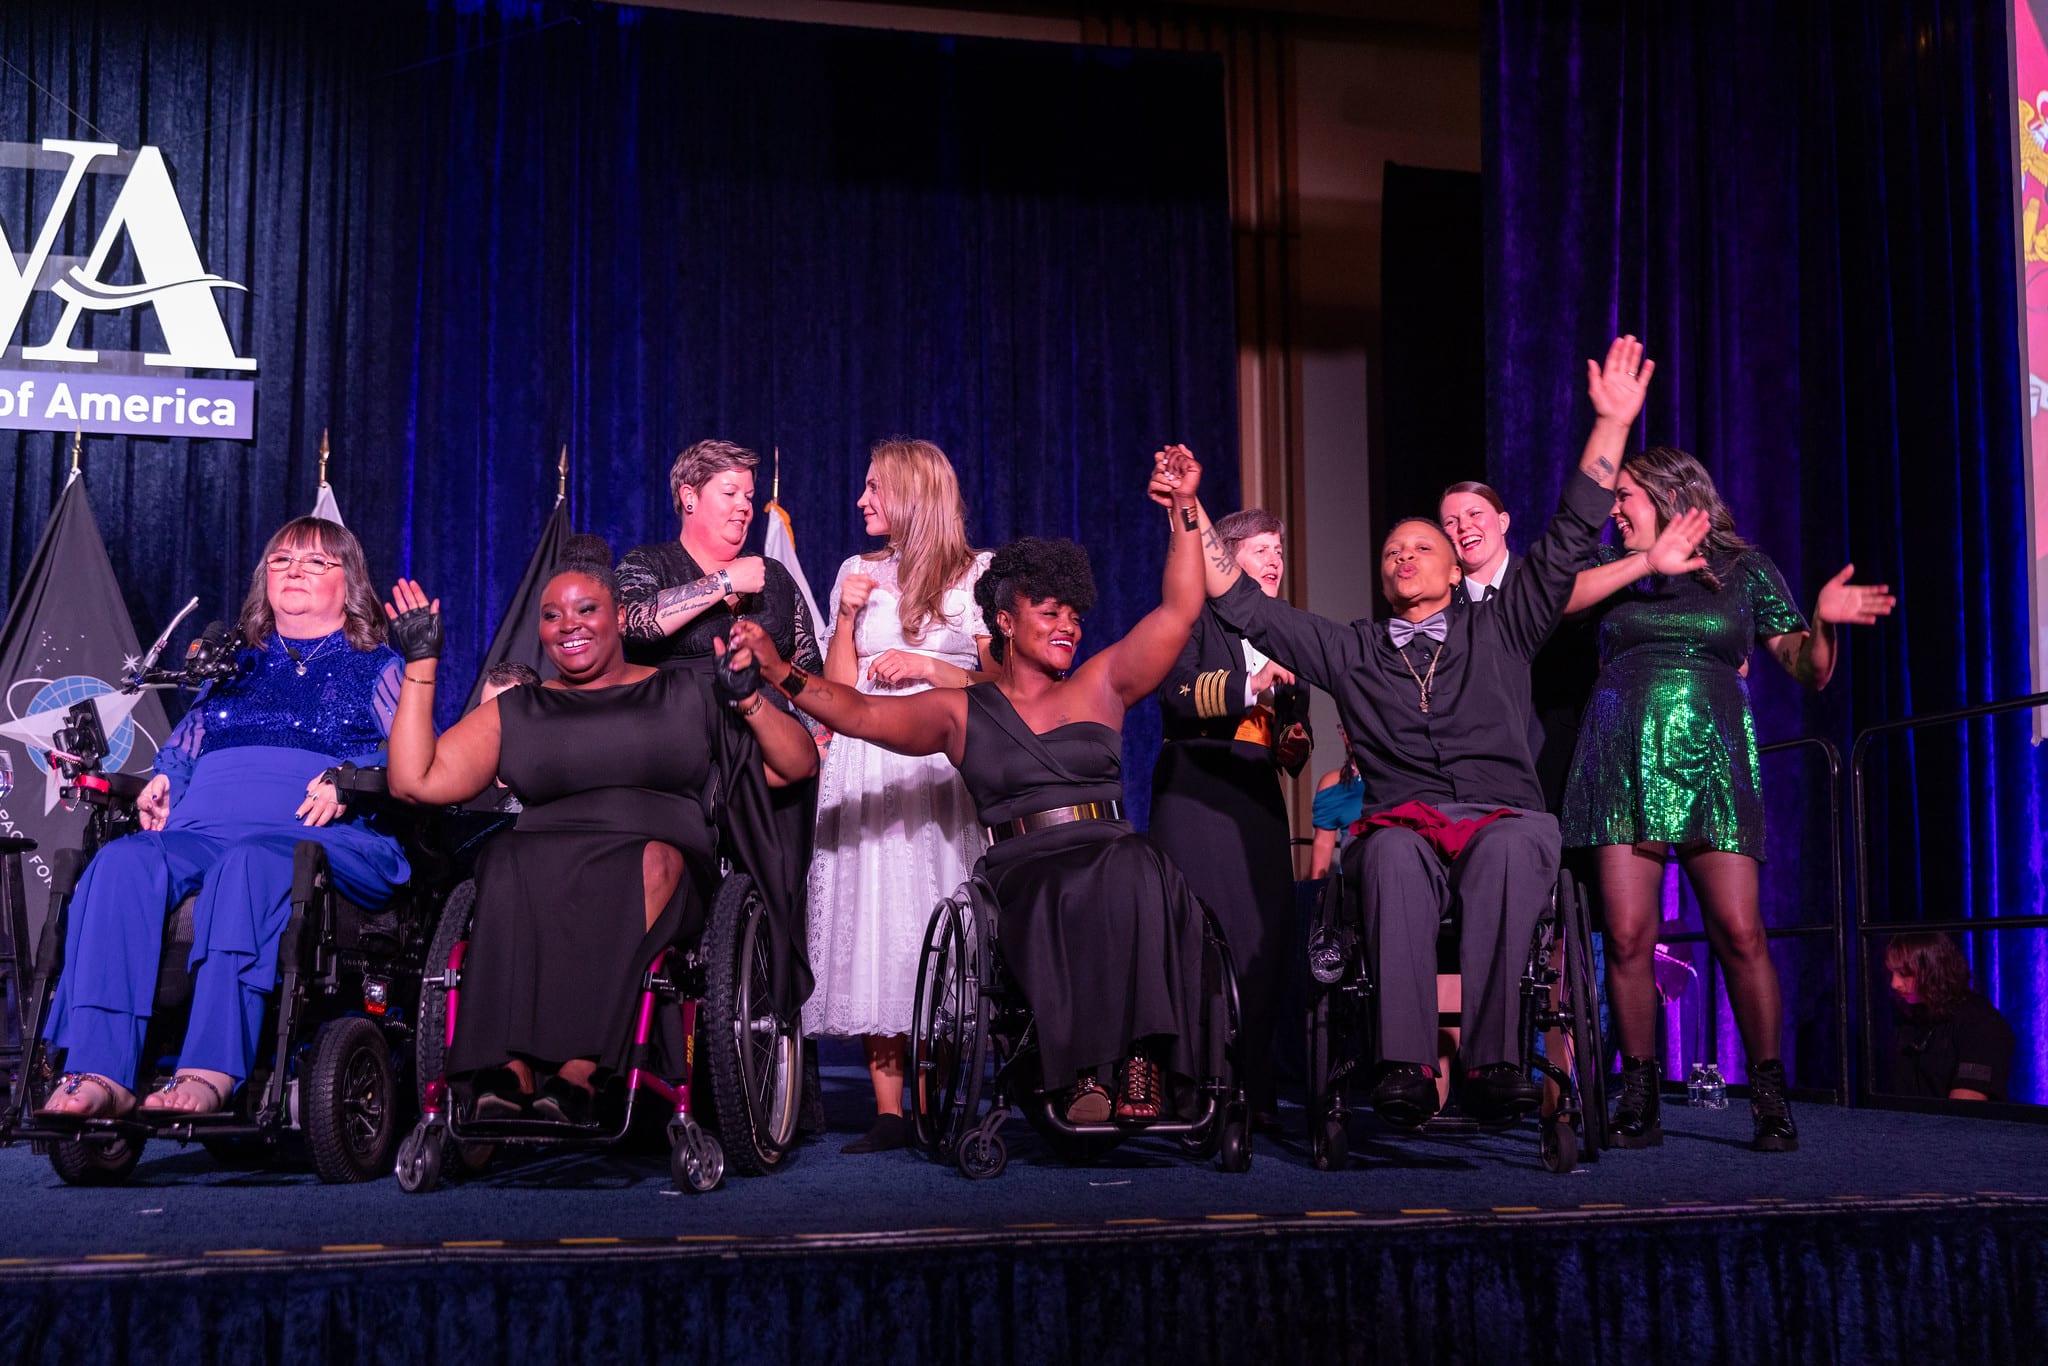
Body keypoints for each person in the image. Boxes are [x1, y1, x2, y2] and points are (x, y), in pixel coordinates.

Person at [1195, 337, 1662, 1130]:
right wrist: (1189, 509)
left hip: (1502, 814)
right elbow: (1245, 605)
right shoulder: (1354, 648)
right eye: (1392, 551)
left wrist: (1612, 424)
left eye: (1423, 547)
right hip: (1403, 820)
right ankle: (1405, 1064)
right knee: (1390, 855)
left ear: (1457, 573)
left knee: (1517, 845)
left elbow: (1574, 530)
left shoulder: (1504, 623)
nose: (1405, 555)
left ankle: (1493, 1062)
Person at [730, 448, 1215, 1125]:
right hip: (1027, 868)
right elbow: (861, 712)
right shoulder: (966, 712)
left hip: (1108, 852)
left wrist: (1185, 508)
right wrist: (780, 669)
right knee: (1062, 890)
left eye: (1073, 614)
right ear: (1005, 623)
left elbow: (1180, 608)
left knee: (1139, 864)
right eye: (1048, 613)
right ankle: (1076, 1079)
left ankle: (1138, 1055)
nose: (1067, 625)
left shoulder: (1099, 684)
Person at [382, 537, 817, 1122]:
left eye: (587, 609)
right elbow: (415, 780)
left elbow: (796, 766)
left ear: (618, 616)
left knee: (649, 860)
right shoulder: (520, 710)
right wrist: (421, 667)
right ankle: (505, 1072)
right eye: (552, 615)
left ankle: (584, 1068)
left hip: (658, 863)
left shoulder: (686, 690)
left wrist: (751, 704)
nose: (569, 625)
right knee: (501, 859)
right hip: (540, 863)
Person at [1560, 446, 1895, 1152]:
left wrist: (1825, 623)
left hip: (1712, 756)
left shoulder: (1746, 571)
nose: (1615, 509)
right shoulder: (1612, 570)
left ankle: (1769, 1097)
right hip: (1621, 751)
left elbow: (1809, 668)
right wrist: (1643, 565)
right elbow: (1558, 601)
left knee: (1740, 932)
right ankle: (1639, 1095)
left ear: (1674, 498)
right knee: (1625, 936)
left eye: (1627, 497)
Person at [39, 518, 410, 1119]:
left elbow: (418, 758)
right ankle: (100, 1069)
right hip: (203, 829)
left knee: (250, 863)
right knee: (120, 862)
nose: (293, 570)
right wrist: (163, 782)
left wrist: (352, 776)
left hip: (317, 836)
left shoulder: (379, 666)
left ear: (352, 584)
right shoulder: (236, 665)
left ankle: (210, 1067)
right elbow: (186, 748)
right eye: (282, 561)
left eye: (315, 563)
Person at [807, 438, 993, 1154]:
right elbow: (835, 692)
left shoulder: (978, 574)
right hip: (866, 765)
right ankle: (889, 1111)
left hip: (939, 765)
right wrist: (848, 618)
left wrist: (926, 667)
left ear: (912, 494)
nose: (861, 503)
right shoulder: (855, 570)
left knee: (930, 913)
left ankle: (934, 1097)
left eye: (874, 489)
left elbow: (1002, 684)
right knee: (873, 918)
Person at [1148, 506, 1305, 1123]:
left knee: (1264, 936)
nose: (1274, 561)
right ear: (1224, 562)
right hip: (1195, 788)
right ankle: (1193, 1084)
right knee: (1199, 937)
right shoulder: (1194, 620)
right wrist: (1252, 681)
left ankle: (1253, 1083)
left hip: (1256, 795)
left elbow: (1295, 741)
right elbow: (1175, 693)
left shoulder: (1286, 631)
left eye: (1278, 550)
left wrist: (1294, 738)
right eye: (1261, 549)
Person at [1441, 480, 1603, 813]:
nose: (1464, 526)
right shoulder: (1438, 611)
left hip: (1555, 766)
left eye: (1474, 513)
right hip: (1471, 786)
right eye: (1450, 522)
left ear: (1502, 522)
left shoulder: (1545, 582)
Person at [616, 438, 823, 683]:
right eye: (730, 493)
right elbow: (633, 623)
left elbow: (809, 673)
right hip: (678, 718)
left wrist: (815, 722)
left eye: (748, 496)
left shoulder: (774, 574)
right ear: (689, 497)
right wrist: (726, 580)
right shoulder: (646, 563)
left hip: (772, 719)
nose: (744, 506)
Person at [1884, 933, 2016, 1102]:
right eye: (1892, 973)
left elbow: (1964, 1110)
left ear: (1933, 970)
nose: (1894, 984)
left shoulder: (1980, 1022)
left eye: (1904, 973)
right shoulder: (1910, 1018)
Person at [1307, 734, 1363, 881]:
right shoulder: (1333, 784)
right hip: (1352, 885)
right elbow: (1323, 844)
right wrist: (1316, 898)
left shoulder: (1398, 777)